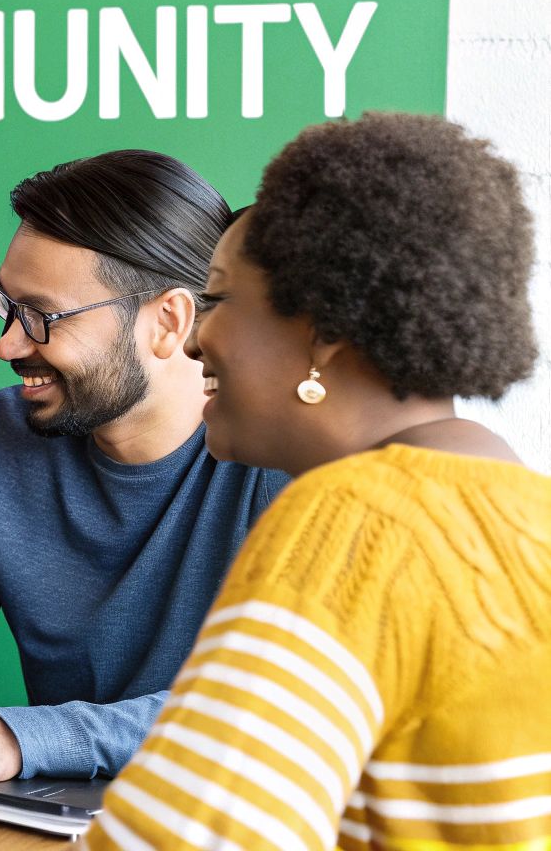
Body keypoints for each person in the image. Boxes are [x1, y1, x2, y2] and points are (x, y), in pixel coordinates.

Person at [88, 113, 549, 851]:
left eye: (217, 298)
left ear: (325, 331)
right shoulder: (533, 517)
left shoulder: (356, 523)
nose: (198, 337)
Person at [0, 150, 289, 781]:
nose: (8, 344)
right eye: (7, 304)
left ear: (169, 322)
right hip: (55, 819)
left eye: (42, 317)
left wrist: (18, 737)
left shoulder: (285, 461)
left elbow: (272, 712)